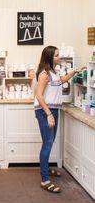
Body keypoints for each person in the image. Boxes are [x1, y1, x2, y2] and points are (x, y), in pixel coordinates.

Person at [34, 46, 84, 193]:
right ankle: (44, 180)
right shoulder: (44, 74)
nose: (59, 57)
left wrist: (73, 72)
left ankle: (46, 169)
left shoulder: (53, 73)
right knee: (48, 143)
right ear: (50, 57)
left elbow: (61, 80)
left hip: (53, 110)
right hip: (45, 112)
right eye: (57, 55)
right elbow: (39, 95)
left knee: (49, 142)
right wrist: (49, 114)